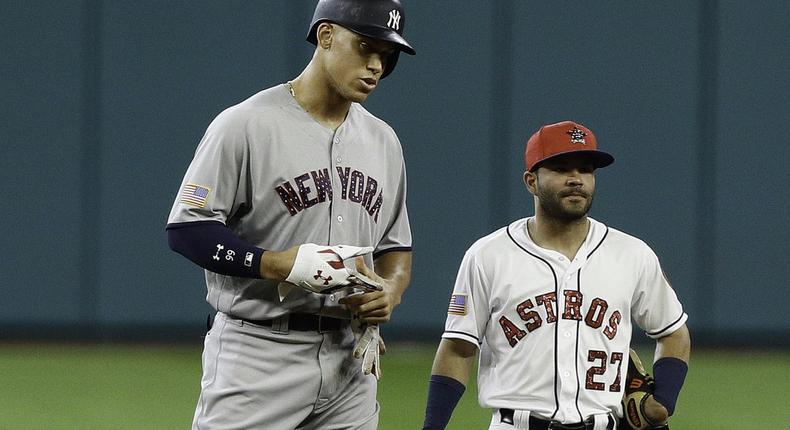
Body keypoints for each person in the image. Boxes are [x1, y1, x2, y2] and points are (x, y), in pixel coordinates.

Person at [165, 1, 415, 428]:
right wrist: (276, 263)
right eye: (364, 46)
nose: (376, 65)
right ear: (325, 36)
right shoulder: (245, 125)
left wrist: (389, 291)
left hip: (349, 360)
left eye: (386, 55)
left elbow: (396, 247)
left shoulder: (383, 141)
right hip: (259, 353)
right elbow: (188, 230)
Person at [421, 121, 691, 430]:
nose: (576, 179)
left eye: (586, 170)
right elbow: (458, 348)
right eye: (561, 168)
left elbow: (673, 332)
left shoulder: (632, 254)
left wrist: (663, 402)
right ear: (531, 182)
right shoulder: (488, 255)